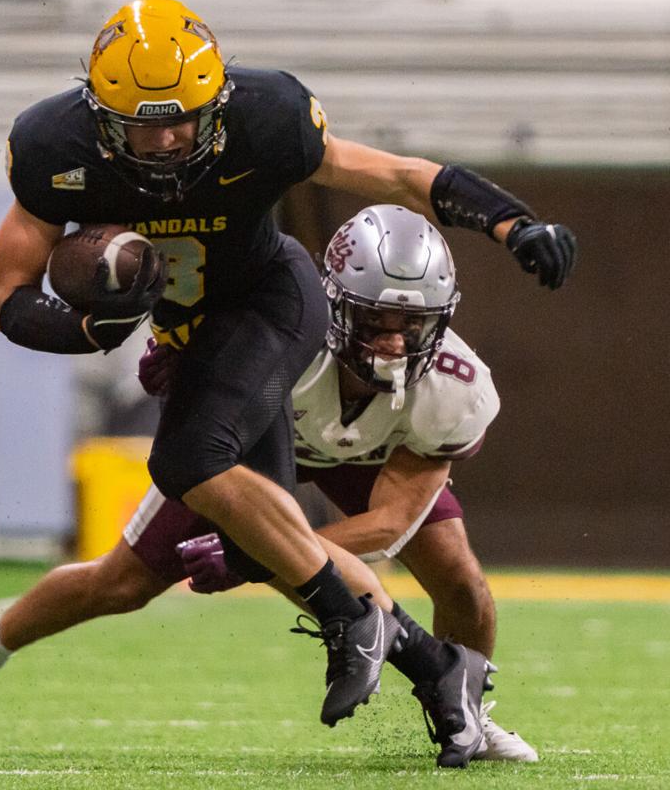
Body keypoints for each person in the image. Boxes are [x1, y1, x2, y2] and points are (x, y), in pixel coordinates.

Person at [0, 0, 575, 763]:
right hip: (203, 351)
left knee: (436, 566)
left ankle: (456, 702)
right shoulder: (53, 146)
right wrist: (90, 327)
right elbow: (6, 298)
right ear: (97, 115)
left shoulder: (270, 119)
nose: (163, 141)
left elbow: (392, 171)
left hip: (267, 306)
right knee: (123, 581)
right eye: (140, 125)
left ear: (220, 103)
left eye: (181, 119)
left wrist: (509, 220)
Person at [148, 205, 537, 761]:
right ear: (335, 306)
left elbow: (390, 528)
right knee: (120, 581)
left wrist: (250, 557)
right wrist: (183, 372)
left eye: (414, 324)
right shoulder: (286, 335)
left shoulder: (457, 388)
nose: (397, 342)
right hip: (267, 439)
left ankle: (466, 713)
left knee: (459, 576)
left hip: (372, 454)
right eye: (377, 321)